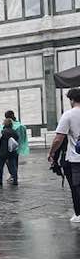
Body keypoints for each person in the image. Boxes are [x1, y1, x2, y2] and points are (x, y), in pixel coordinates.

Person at [48, 87, 80, 223]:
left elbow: (58, 139)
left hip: (75, 158)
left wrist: (51, 152)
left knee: (76, 186)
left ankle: (78, 214)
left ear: (72, 100)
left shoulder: (68, 115)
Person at [5, 110, 28, 183]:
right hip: (16, 146)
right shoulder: (19, 124)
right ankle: (14, 175)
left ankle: (13, 175)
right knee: (14, 161)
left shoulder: (10, 124)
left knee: (9, 161)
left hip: (8, 147)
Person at [0, 118, 19, 187]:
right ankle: (15, 180)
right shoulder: (14, 132)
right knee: (13, 166)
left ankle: (0, 181)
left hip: (2, 152)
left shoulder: (2, 132)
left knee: (1, 167)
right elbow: (17, 139)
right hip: (12, 152)